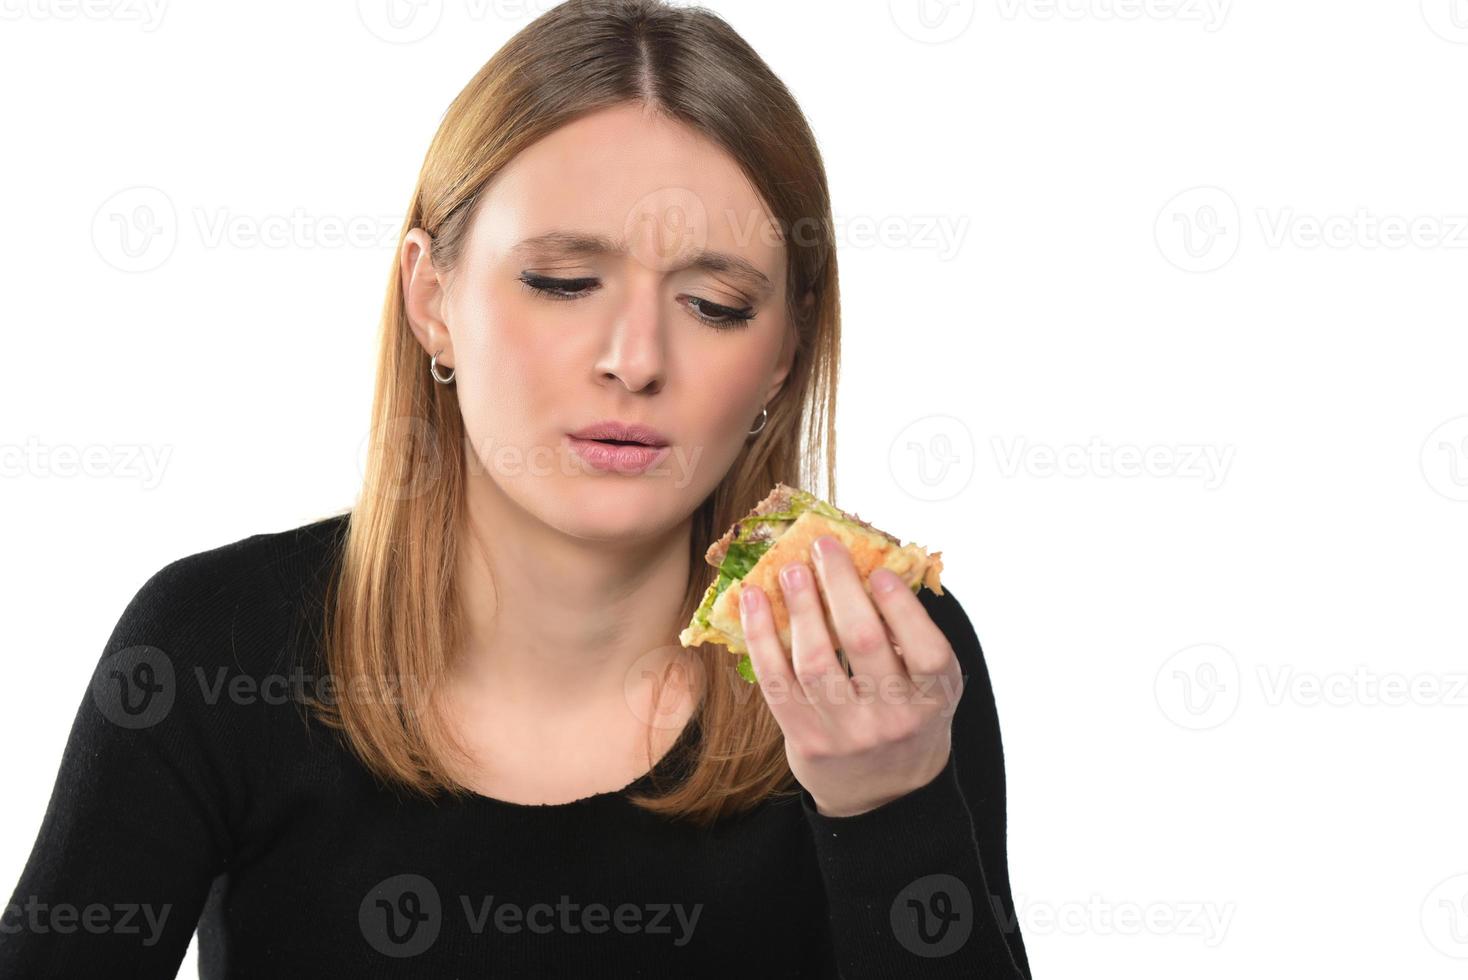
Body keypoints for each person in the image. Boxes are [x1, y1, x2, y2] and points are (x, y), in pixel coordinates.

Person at [0, 1, 1031, 976]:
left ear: (781, 355)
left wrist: (889, 806)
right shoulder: (211, 645)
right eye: (561, 282)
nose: (634, 358)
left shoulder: (885, 660)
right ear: (431, 297)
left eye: (715, 303)